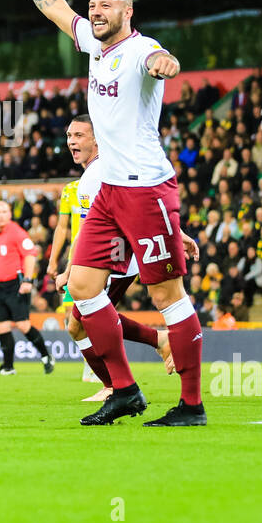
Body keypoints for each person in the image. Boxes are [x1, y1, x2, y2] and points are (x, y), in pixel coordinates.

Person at [0, 0, 205, 427]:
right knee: (85, 291)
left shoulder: (142, 51)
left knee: (166, 297)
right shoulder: (92, 42)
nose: (95, 11)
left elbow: (164, 63)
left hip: (147, 188)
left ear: (127, 12)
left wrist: (165, 65)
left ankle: (192, 404)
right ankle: (125, 390)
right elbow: (54, 7)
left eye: (105, 4)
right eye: (92, 5)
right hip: (110, 191)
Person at [53, 115, 173, 402]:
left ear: (97, 139)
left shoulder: (103, 174)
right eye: (70, 135)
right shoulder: (91, 177)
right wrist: (72, 268)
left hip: (113, 263)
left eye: (79, 135)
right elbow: (86, 230)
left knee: (82, 323)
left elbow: (135, 211)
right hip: (101, 261)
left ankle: (119, 386)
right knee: (81, 324)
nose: (72, 141)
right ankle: (121, 379)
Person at [0, 200, 53, 374]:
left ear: (10, 214)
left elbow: (30, 255)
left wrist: (27, 280)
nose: (1, 215)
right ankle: (8, 367)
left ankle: (46, 356)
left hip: (17, 284)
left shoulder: (18, 233)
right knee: (2, 326)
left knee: (23, 324)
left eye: (4, 211)